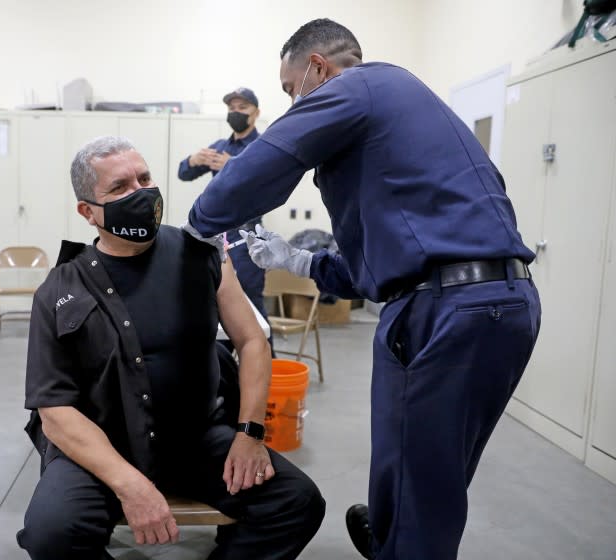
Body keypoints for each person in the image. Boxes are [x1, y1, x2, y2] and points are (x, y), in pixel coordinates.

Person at [183, 18, 542, 560]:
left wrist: (197, 227)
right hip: (490, 301)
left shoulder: (359, 85)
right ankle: (388, 538)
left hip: (449, 308)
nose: (292, 102)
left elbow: (274, 158)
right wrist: (303, 260)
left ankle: (401, 542)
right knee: (421, 465)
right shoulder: (401, 113)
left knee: (424, 483)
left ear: (318, 68)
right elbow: (387, 259)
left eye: (290, 89)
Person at [18, 136, 325, 560]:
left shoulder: (202, 255)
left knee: (295, 502)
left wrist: (250, 433)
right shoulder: (60, 288)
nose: (140, 192)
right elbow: (54, 412)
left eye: (144, 178)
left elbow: (252, 339)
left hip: (195, 438)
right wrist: (130, 484)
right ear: (87, 211)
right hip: (101, 450)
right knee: (51, 533)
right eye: (119, 187)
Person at [177, 88, 270, 328]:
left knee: (252, 310)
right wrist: (192, 160)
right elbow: (183, 173)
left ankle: (266, 364)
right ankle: (224, 363)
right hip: (216, 238)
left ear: (256, 113)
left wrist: (235, 166)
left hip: (246, 240)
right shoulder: (219, 146)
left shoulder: (263, 146)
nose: (236, 112)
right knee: (216, 305)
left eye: (242, 108)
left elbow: (267, 186)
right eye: (232, 108)